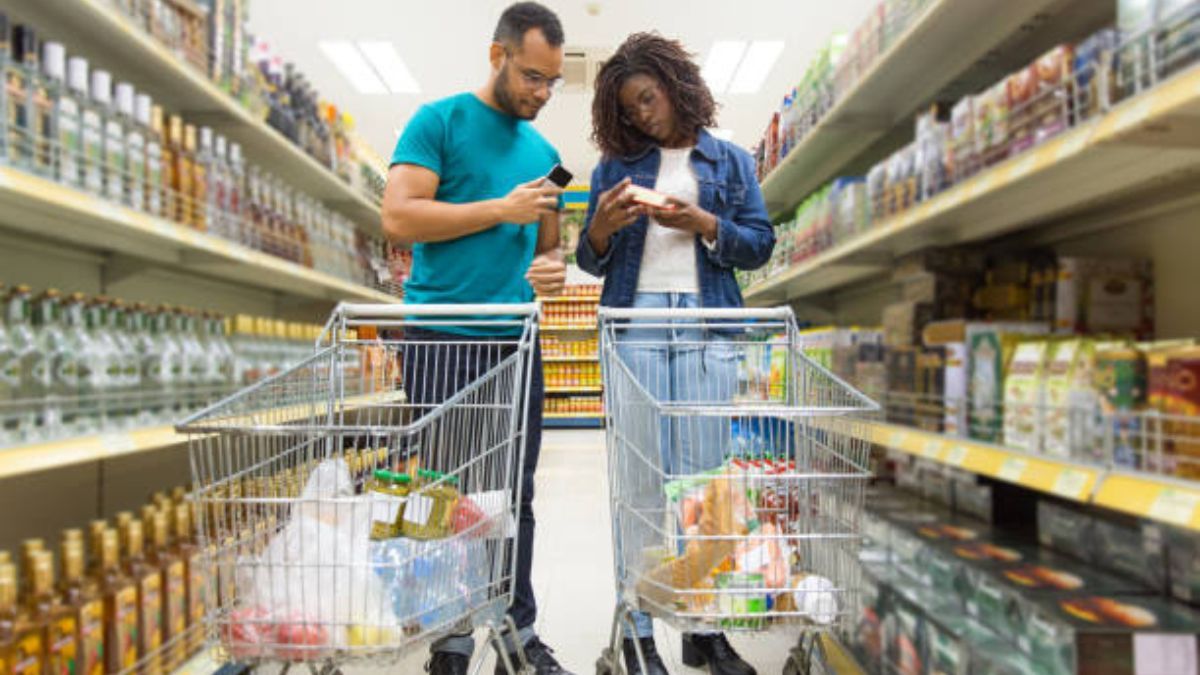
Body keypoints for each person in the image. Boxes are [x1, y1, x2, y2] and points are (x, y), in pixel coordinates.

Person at [380, 3, 573, 674]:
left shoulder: (545, 155)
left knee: (513, 491)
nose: (542, 93)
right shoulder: (439, 122)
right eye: (532, 77)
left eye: (551, 82)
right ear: (497, 56)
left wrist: (552, 269)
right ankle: (451, 631)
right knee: (446, 488)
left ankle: (518, 630)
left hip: (516, 343)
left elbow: (550, 251)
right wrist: (500, 208)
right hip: (441, 338)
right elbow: (400, 216)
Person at [576, 33, 774, 675]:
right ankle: (635, 626)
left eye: (646, 99)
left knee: (704, 486)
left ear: (674, 83)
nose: (640, 116)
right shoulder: (614, 166)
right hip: (634, 322)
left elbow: (759, 243)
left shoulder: (732, 161)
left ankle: (702, 627)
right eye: (629, 109)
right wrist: (602, 229)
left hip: (708, 323)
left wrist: (707, 225)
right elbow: (588, 254)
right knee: (637, 483)